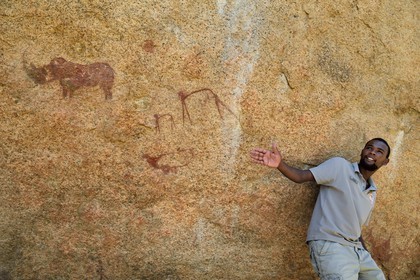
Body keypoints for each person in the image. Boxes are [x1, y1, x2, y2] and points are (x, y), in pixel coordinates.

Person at [250, 138, 391, 280]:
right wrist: (280, 164)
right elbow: (300, 176)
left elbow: (356, 228)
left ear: (385, 162)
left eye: (379, 152)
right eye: (369, 148)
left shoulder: (372, 192)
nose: (372, 152)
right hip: (332, 246)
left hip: (358, 251)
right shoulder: (340, 166)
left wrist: (366, 255)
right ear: (362, 151)